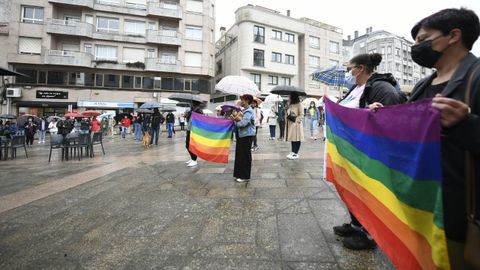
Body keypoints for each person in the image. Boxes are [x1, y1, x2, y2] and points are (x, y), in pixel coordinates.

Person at [392, 8, 478, 269]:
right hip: (422, 206)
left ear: (453, 35)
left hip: (458, 212)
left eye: (422, 39)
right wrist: (381, 116)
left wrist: (466, 125)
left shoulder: (476, 77)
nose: (416, 48)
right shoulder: (424, 84)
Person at [332, 52, 406, 250]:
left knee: (369, 192)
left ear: (361, 68)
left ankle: (370, 234)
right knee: (353, 190)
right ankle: (356, 224)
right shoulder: (355, 88)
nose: (348, 72)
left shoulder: (382, 88)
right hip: (352, 151)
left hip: (371, 153)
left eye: (350, 68)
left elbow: (391, 118)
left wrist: (368, 113)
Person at [231, 94, 256, 183]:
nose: (241, 101)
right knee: (240, 155)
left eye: (243, 100)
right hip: (242, 135)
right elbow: (240, 120)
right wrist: (235, 117)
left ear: (247, 101)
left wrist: (235, 121)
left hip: (246, 136)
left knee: (245, 156)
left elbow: (243, 123)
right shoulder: (244, 110)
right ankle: (239, 174)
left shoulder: (248, 111)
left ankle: (245, 176)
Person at [285, 92, 304, 160]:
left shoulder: (299, 104)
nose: (289, 97)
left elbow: (301, 114)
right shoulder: (290, 104)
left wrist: (296, 120)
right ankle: (293, 151)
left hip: (296, 124)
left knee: (297, 138)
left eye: (290, 96)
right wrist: (287, 108)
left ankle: (296, 153)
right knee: (293, 139)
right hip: (291, 123)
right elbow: (288, 113)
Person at [185, 101, 204, 167]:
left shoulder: (199, 111)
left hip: (194, 131)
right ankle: (192, 158)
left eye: (192, 104)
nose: (191, 105)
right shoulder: (192, 110)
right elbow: (189, 119)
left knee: (191, 145)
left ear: (194, 104)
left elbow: (201, 120)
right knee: (187, 145)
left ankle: (194, 159)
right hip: (189, 129)